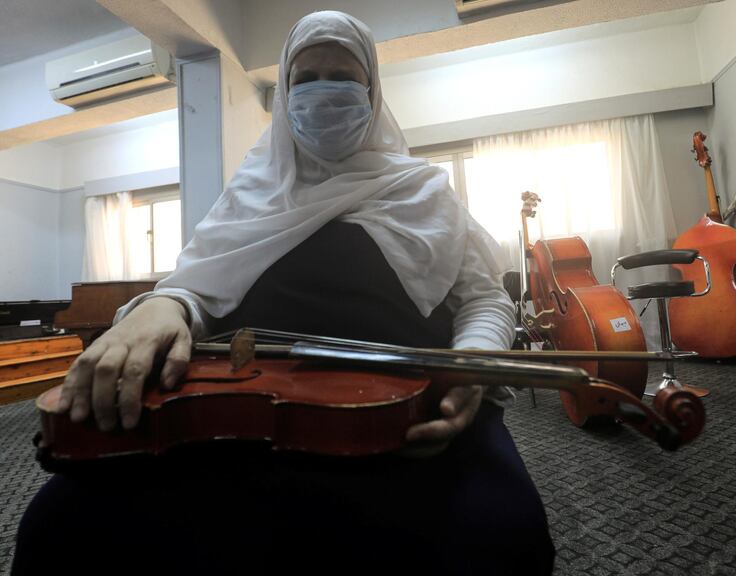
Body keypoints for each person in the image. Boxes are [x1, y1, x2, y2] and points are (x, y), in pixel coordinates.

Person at [12, 11, 555, 576]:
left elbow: (485, 301)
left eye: (343, 77)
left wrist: (470, 363)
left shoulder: (424, 190)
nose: (324, 92)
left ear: (372, 91)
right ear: (285, 92)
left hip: (403, 398)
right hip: (254, 397)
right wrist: (164, 305)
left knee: (502, 534)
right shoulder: (250, 190)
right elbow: (199, 287)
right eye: (307, 78)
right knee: (62, 524)